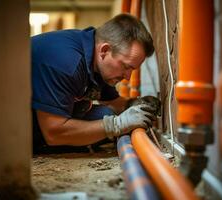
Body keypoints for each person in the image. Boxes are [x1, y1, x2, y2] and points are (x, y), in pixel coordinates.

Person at [32, 14, 157, 153]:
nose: (128, 77)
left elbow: (113, 103)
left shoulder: (95, 60)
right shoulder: (66, 64)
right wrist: (117, 125)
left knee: (103, 114)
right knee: (103, 123)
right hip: (14, 129)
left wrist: (136, 104)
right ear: (104, 50)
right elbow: (53, 132)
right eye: (126, 67)